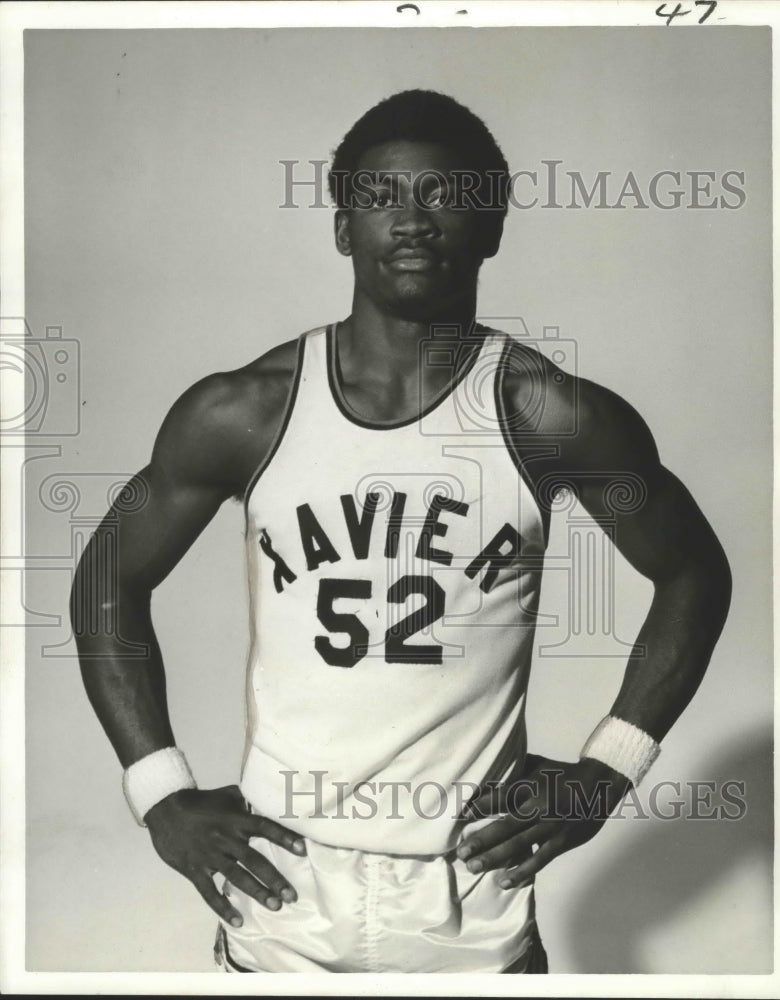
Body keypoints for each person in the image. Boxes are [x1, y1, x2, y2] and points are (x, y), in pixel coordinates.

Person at [71, 89, 732, 974]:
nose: (413, 221)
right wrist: (160, 795)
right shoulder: (246, 413)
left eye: (445, 196)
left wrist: (609, 769)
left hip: (473, 895)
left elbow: (694, 573)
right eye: (383, 197)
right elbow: (108, 576)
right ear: (343, 228)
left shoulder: (548, 416)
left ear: (492, 226)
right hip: (284, 889)